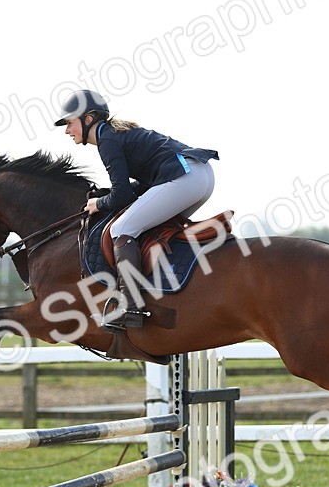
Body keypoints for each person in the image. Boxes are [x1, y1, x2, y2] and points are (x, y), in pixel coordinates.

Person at [56, 89, 218, 331]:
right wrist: (105, 196)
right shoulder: (114, 134)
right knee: (148, 226)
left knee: (121, 228)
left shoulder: (107, 140)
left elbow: (121, 196)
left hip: (185, 177)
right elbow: (138, 187)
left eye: (70, 124)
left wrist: (98, 203)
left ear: (88, 119)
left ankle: (130, 307)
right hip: (200, 176)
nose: (68, 131)